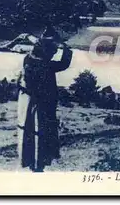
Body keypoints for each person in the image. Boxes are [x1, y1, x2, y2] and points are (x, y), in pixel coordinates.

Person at [16, 31, 73, 172]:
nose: (53, 55)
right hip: (43, 105)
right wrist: (66, 48)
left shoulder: (28, 59)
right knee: (42, 132)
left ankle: (30, 161)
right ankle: (39, 163)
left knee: (28, 131)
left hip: (27, 104)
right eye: (52, 53)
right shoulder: (46, 66)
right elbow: (64, 63)